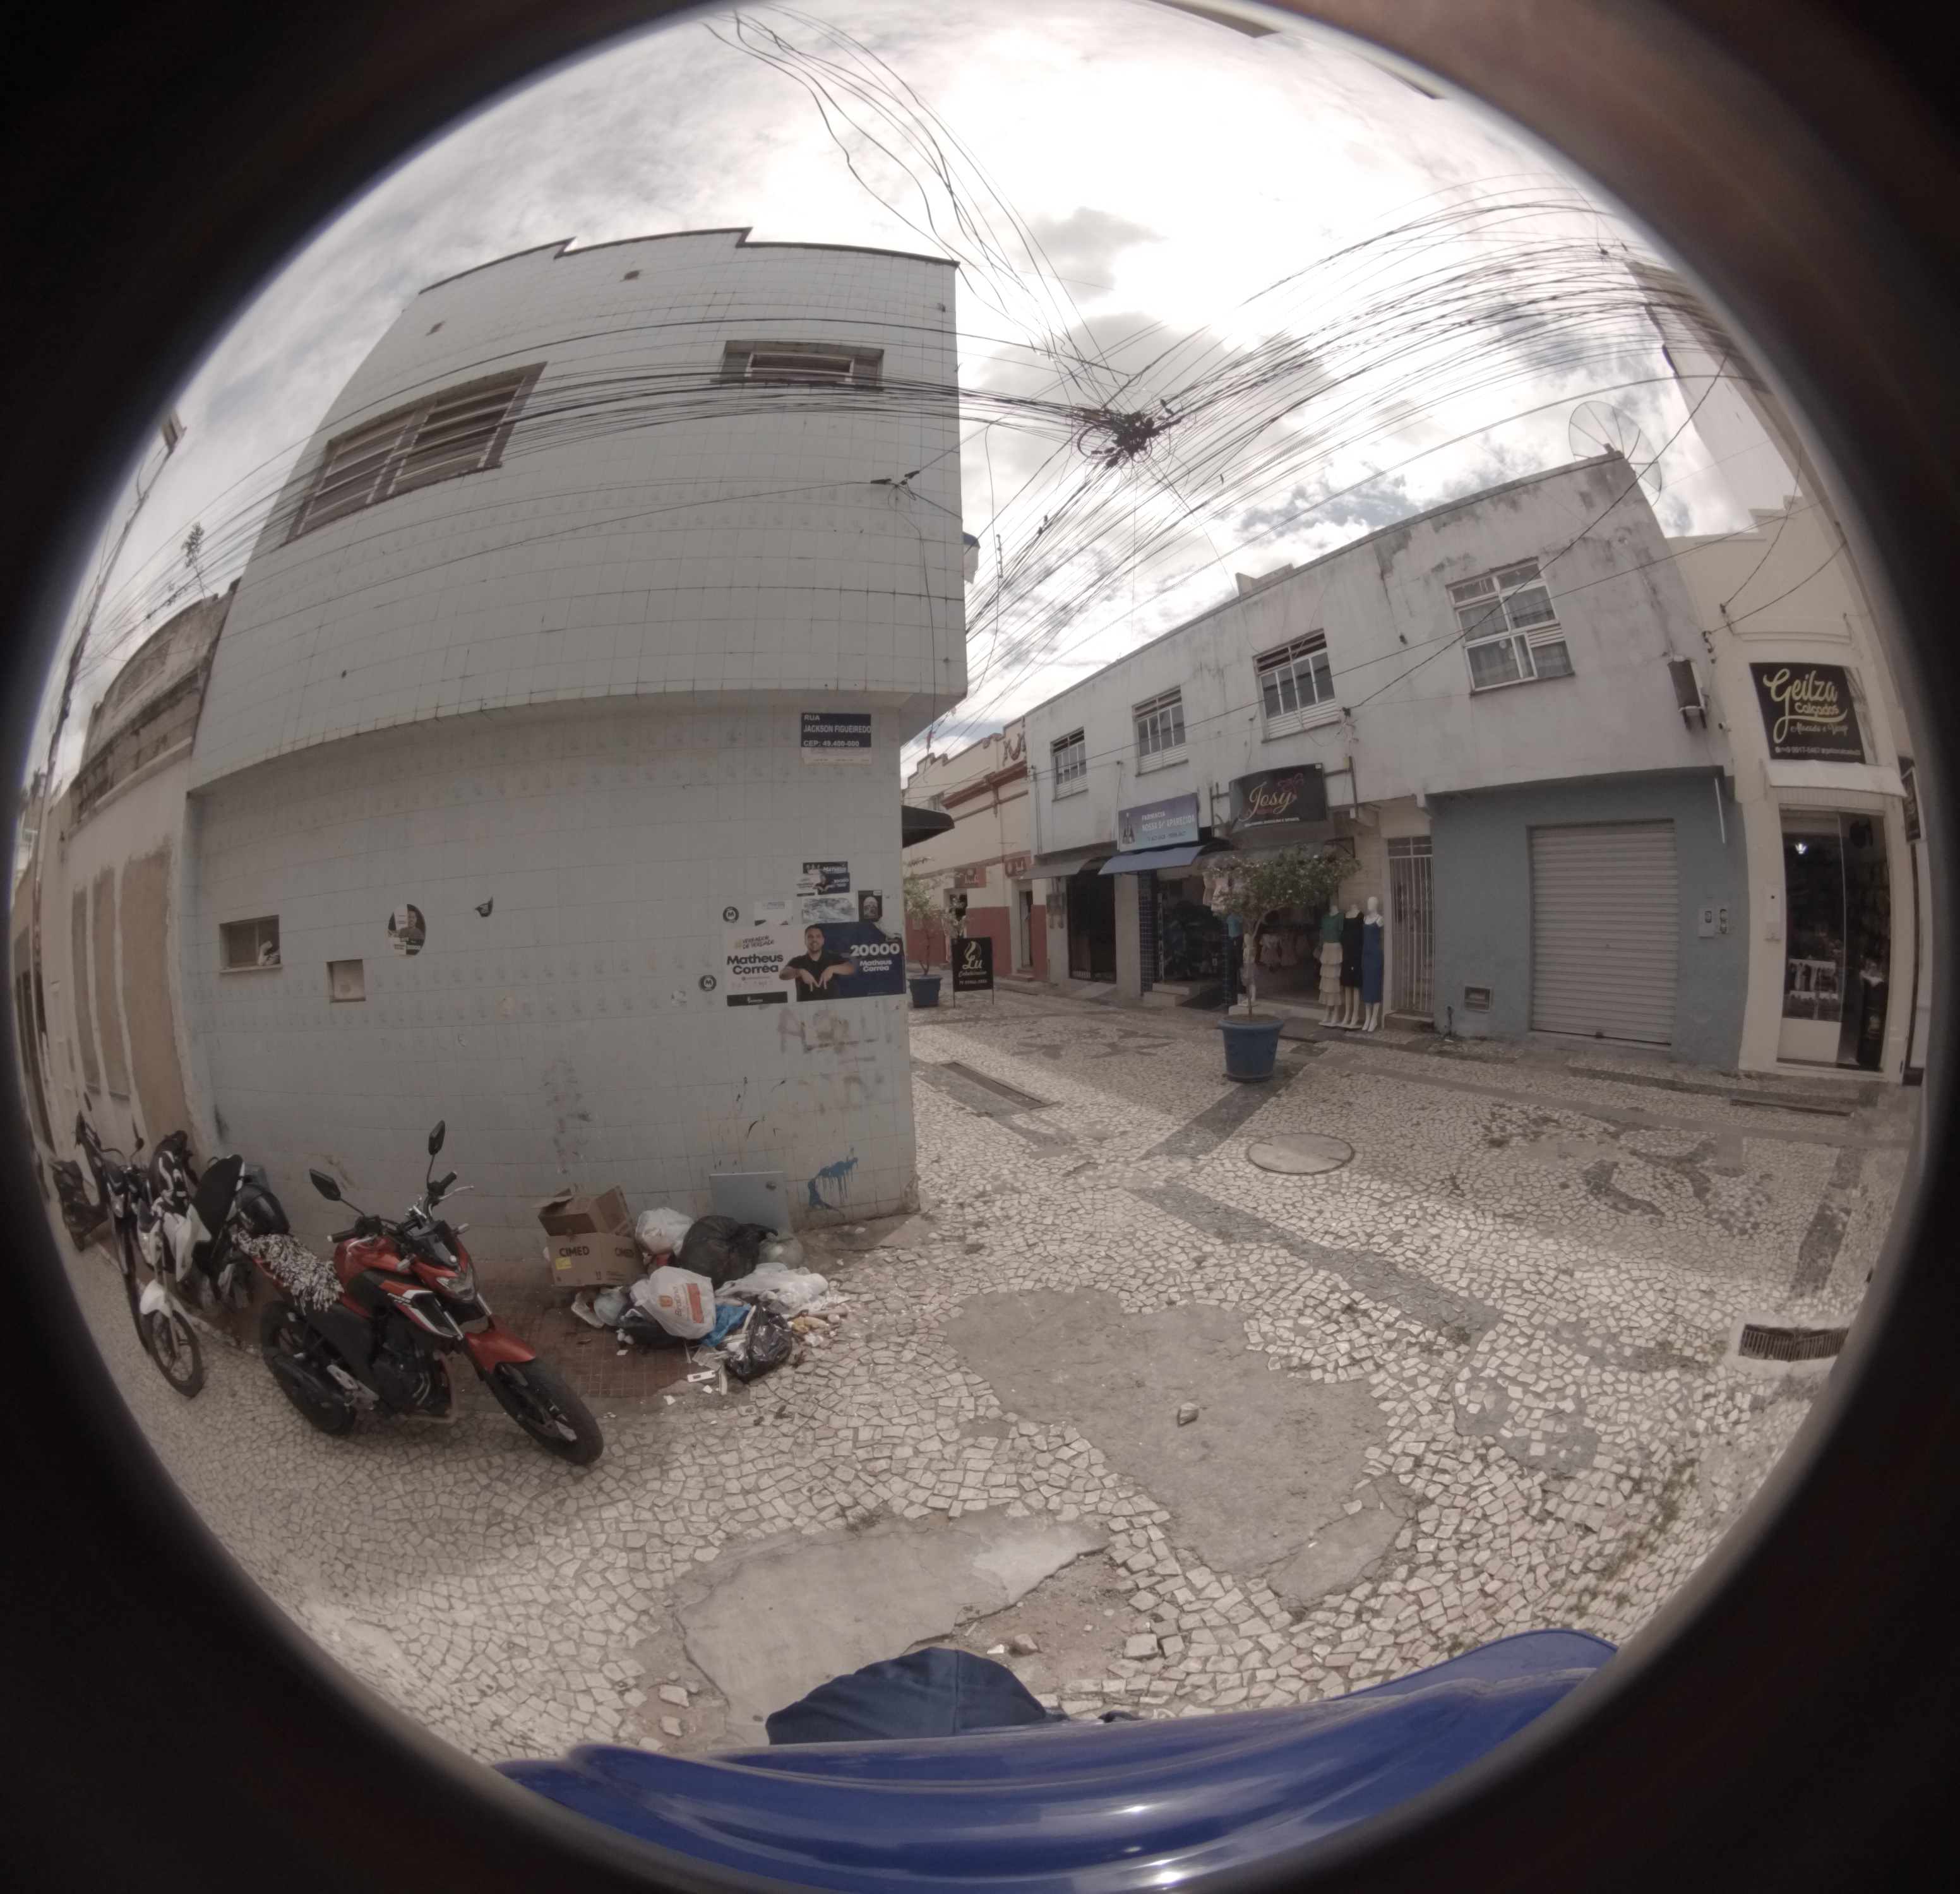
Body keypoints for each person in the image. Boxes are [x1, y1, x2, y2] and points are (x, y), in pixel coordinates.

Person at [780, 924, 855, 1000]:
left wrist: (832, 969)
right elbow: (782, 974)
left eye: (818, 936)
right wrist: (800, 972)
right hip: (806, 1006)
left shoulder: (833, 958)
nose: (814, 939)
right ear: (805, 941)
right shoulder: (797, 960)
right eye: (810, 937)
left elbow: (850, 968)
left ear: (823, 940)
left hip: (833, 1005)